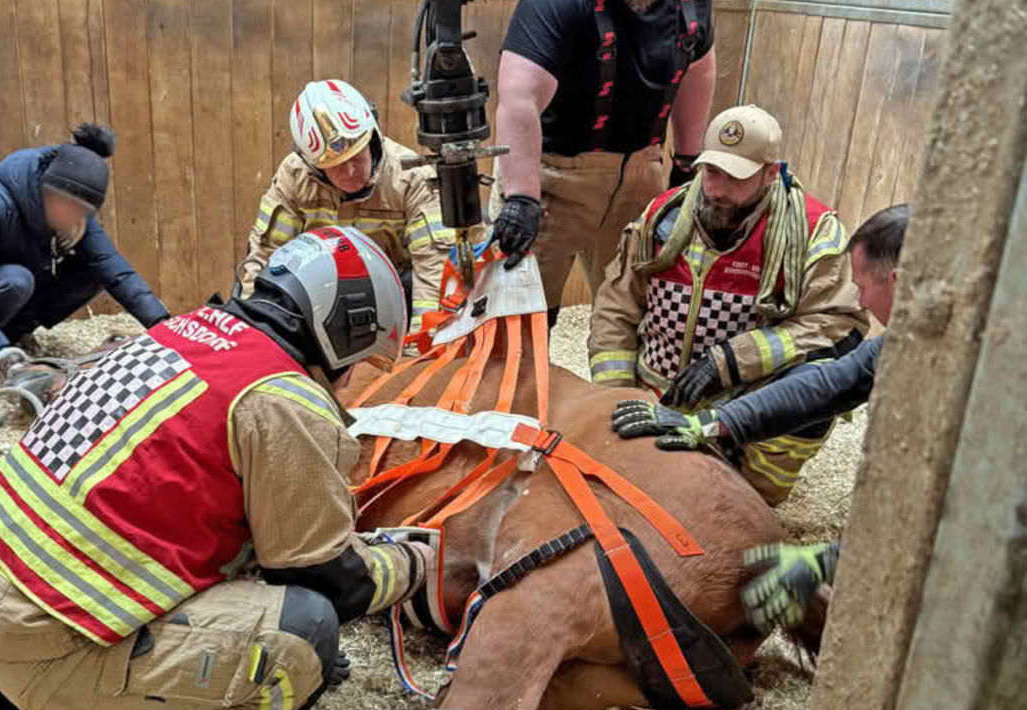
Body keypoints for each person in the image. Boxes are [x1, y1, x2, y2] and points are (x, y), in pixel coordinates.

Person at [0, 227, 492, 710]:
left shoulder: (180, 331)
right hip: (47, 629)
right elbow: (327, 579)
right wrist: (414, 560)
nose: (351, 378)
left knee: (232, 590)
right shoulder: (284, 398)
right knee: (306, 637)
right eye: (360, 360)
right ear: (347, 330)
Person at [612, 204, 912, 632]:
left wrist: (833, 561)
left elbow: (953, 518)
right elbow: (828, 385)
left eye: (863, 286)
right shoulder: (903, 341)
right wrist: (712, 423)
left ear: (899, 283)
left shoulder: (976, 371)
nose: (860, 300)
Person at [588, 104, 869, 505]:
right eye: (710, 170)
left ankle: (752, 487)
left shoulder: (811, 232)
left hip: (749, 413)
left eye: (734, 177)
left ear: (771, 173)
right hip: (656, 401)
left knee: (731, 510)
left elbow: (839, 324)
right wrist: (614, 400)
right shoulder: (661, 219)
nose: (715, 188)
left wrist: (729, 361)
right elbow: (616, 308)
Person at [489, 0, 717, 321]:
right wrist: (521, 196)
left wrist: (686, 163)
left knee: (631, 315)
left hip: (642, 171)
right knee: (522, 318)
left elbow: (699, 68)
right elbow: (519, 96)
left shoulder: (690, 7)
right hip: (551, 173)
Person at [0, 124, 169, 380]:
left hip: (0, 285)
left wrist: (166, 327)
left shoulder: (74, 214)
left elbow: (116, 272)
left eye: (84, 212)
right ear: (49, 192)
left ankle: (12, 335)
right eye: (70, 208)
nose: (75, 217)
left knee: (91, 270)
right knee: (17, 280)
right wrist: (3, 357)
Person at [238, 79, 453, 335]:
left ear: (372, 139)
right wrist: (251, 331)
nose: (351, 171)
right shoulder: (294, 176)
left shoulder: (411, 176)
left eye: (358, 156)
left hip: (396, 300)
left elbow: (433, 269)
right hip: (318, 299)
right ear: (313, 165)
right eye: (337, 164)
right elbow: (265, 256)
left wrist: (421, 346)